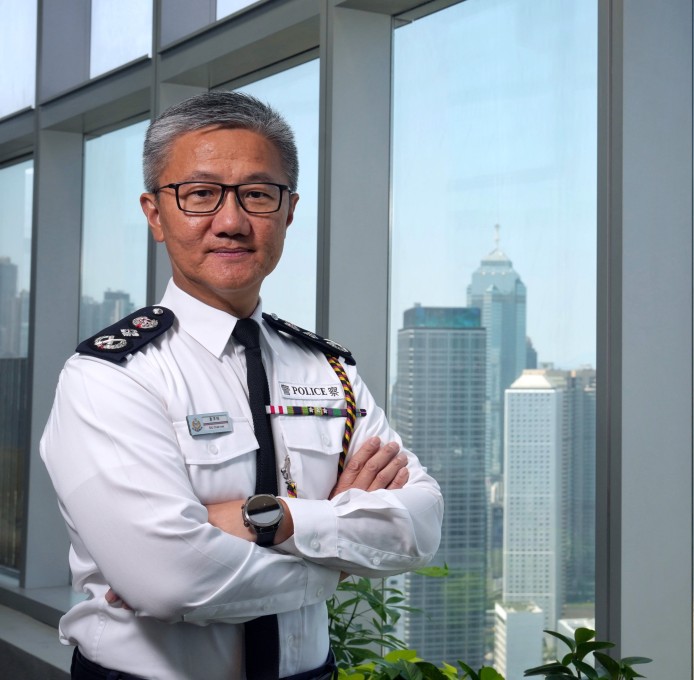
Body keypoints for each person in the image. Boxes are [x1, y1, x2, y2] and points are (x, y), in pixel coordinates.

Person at [40, 91, 443, 680]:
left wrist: (270, 518)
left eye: (257, 194)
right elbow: (172, 580)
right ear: (155, 214)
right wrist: (335, 553)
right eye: (200, 194)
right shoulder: (110, 376)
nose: (231, 222)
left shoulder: (328, 370)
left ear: (288, 211)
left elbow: (420, 523)